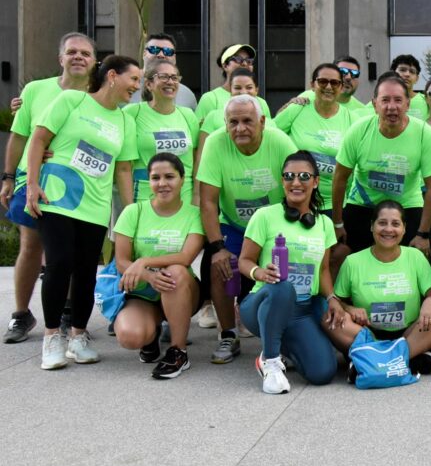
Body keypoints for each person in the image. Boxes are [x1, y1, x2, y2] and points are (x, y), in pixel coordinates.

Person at [24, 55, 140, 369]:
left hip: (95, 206)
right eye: (133, 79)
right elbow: (38, 139)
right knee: (59, 263)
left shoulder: (125, 119)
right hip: (57, 197)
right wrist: (31, 183)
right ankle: (52, 337)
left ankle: (78, 336)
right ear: (113, 76)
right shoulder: (71, 101)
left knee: (87, 271)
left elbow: (124, 169)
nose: (137, 86)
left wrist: (129, 213)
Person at [1, 32, 96, 343]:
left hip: (76, 189)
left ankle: (67, 312)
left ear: (94, 62)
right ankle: (21, 315)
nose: (78, 57)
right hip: (34, 181)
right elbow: (19, 137)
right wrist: (8, 176)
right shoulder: (35, 91)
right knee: (31, 245)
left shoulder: (98, 97)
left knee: (67, 253)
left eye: (85, 53)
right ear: (61, 58)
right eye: (72, 52)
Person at [196, 95, 298, 364]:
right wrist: (217, 247)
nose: (240, 128)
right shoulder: (216, 143)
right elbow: (207, 201)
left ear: (262, 122)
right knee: (219, 265)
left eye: (247, 121)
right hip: (234, 223)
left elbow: (298, 186)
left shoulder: (280, 142)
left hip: (274, 225)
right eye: (233, 122)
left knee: (284, 272)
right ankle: (228, 334)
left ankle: (283, 335)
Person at [238, 151, 345, 393]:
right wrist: (259, 273)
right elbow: (244, 261)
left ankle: (280, 346)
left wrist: (332, 298)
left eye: (304, 176)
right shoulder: (264, 216)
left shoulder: (324, 224)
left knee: (322, 373)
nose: (296, 182)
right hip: (263, 303)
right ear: (282, 181)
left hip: (301, 312)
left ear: (316, 182)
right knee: (283, 286)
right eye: (289, 176)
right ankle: (271, 362)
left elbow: (324, 270)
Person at [326, 200, 431, 378]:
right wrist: (350, 309)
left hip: (409, 334)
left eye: (395, 224)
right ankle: (406, 358)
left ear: (404, 228)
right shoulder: (353, 261)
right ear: (372, 226)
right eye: (382, 223)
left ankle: (370, 361)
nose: (389, 229)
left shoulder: (414, 256)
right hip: (367, 334)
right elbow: (337, 302)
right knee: (328, 317)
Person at [112, 153, 204, 379]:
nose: (162, 183)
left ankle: (178, 351)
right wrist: (148, 276)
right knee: (129, 336)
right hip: (144, 292)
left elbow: (185, 257)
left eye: (169, 177)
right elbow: (122, 261)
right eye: (155, 178)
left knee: (175, 271)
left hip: (181, 289)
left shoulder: (194, 214)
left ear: (182, 179)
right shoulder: (134, 211)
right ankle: (150, 335)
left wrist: (144, 262)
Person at [333, 72, 431, 255]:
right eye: (385, 100)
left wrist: (423, 233)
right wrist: (337, 223)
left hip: (407, 206)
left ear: (407, 104)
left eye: (398, 100)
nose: (392, 107)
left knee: (421, 256)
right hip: (363, 205)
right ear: (375, 104)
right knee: (342, 255)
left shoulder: (424, 134)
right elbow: (340, 177)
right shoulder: (359, 130)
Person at [274, 63, 354, 217]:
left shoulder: (351, 120)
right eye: (323, 81)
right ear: (312, 85)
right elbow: (270, 136)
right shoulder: (297, 109)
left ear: (341, 86)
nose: (328, 87)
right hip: (296, 200)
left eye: (335, 83)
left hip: (334, 204)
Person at [124, 59, 200, 203]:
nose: (170, 82)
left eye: (174, 77)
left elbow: (198, 161)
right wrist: (130, 209)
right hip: (145, 199)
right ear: (148, 84)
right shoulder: (132, 113)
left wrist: (196, 199)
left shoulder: (188, 115)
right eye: (163, 77)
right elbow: (124, 166)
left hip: (184, 200)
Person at [285, 56, 372, 119]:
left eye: (354, 73)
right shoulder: (307, 97)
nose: (348, 77)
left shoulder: (362, 111)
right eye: (343, 71)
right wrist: (288, 106)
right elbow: (277, 125)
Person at [129, 32, 198, 109]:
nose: (161, 55)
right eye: (154, 50)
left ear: (174, 58)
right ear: (144, 54)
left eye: (168, 51)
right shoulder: (124, 87)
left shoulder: (187, 95)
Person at [195, 43, 256, 126]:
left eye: (249, 60)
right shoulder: (210, 99)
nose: (245, 64)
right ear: (225, 65)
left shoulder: (261, 102)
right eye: (238, 59)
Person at [391, 55, 425, 119]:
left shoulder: (427, 101)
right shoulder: (382, 101)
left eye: (412, 71)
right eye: (402, 70)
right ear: (393, 73)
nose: (407, 74)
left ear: (417, 79)